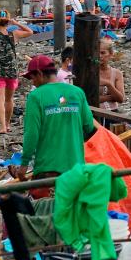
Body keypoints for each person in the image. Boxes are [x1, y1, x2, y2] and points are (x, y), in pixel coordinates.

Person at [14, 54, 95, 183]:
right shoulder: (77, 92)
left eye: (32, 77)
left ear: (40, 73)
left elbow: (32, 134)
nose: (32, 82)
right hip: (77, 170)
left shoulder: (35, 96)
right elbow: (89, 127)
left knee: (48, 204)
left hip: (48, 171)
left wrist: (24, 165)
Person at [0, 12, 35, 134]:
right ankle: (8, 124)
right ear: (7, 22)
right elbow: (30, 32)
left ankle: (2, 126)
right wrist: (16, 23)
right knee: (9, 99)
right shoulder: (14, 34)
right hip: (12, 71)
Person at [98, 38, 126, 109]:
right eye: (97, 52)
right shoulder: (90, 73)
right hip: (94, 114)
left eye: (103, 53)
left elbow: (121, 99)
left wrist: (108, 84)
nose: (99, 56)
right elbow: (87, 99)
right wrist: (112, 97)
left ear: (110, 54)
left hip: (113, 114)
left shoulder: (117, 73)